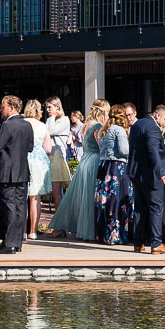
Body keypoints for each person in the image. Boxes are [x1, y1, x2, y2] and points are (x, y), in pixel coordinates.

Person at [52, 101, 108, 240]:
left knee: (80, 197)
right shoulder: (97, 126)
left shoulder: (86, 125)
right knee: (89, 197)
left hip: (84, 160)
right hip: (94, 160)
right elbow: (100, 145)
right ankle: (89, 230)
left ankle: (72, 228)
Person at [0, 95, 33, 253]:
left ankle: (8, 243)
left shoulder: (7, 125)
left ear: (12, 108)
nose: (1, 110)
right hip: (22, 170)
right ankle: (16, 242)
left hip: (7, 171)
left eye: (3, 106)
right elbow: (30, 147)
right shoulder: (27, 125)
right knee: (20, 206)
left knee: (8, 206)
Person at [128, 104, 165, 254]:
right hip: (151, 175)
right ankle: (156, 244)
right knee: (156, 208)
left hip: (136, 173)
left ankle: (138, 243)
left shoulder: (137, 124)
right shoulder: (153, 128)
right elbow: (154, 152)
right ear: (157, 115)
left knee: (140, 209)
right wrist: (162, 173)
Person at [95, 104, 133, 246]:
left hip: (104, 167)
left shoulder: (103, 130)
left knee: (105, 202)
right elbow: (124, 151)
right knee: (118, 202)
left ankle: (103, 234)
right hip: (117, 168)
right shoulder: (119, 130)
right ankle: (116, 236)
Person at [23, 99, 50, 239]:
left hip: (23, 159)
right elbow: (48, 148)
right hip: (39, 161)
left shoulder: (22, 123)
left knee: (22, 196)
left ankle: (22, 232)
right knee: (35, 197)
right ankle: (33, 231)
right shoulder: (43, 126)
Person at [44, 97, 73, 200]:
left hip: (59, 157)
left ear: (57, 106)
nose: (47, 110)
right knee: (55, 191)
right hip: (50, 157)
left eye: (49, 107)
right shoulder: (49, 120)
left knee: (57, 192)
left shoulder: (65, 120)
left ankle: (60, 215)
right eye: (46, 107)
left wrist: (52, 117)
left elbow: (50, 131)